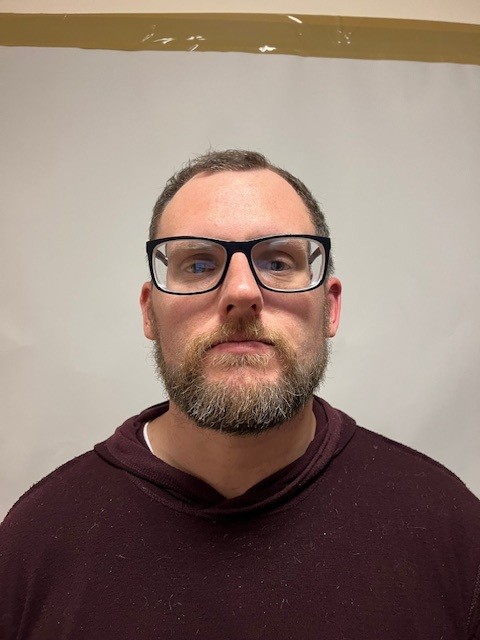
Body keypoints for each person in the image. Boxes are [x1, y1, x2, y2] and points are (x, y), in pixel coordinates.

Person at [1, 149, 479, 639]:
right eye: (198, 265)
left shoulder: (451, 531)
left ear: (330, 308)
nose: (243, 292)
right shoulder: (32, 545)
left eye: (278, 262)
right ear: (149, 312)